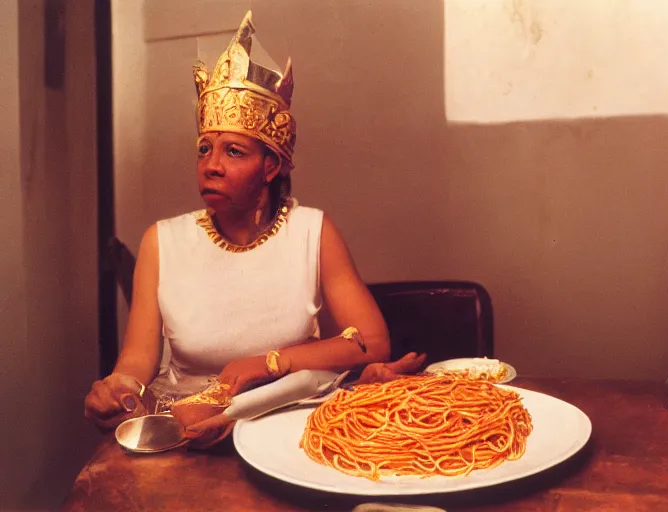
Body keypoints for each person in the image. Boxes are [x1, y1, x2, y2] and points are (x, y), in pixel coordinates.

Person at [82, 11, 425, 445]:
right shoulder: (162, 242)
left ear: (271, 166)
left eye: (234, 152)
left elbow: (372, 342)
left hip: (288, 428)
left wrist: (266, 363)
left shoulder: (311, 231)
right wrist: (118, 390)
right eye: (204, 149)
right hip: (189, 434)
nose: (212, 167)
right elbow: (135, 361)